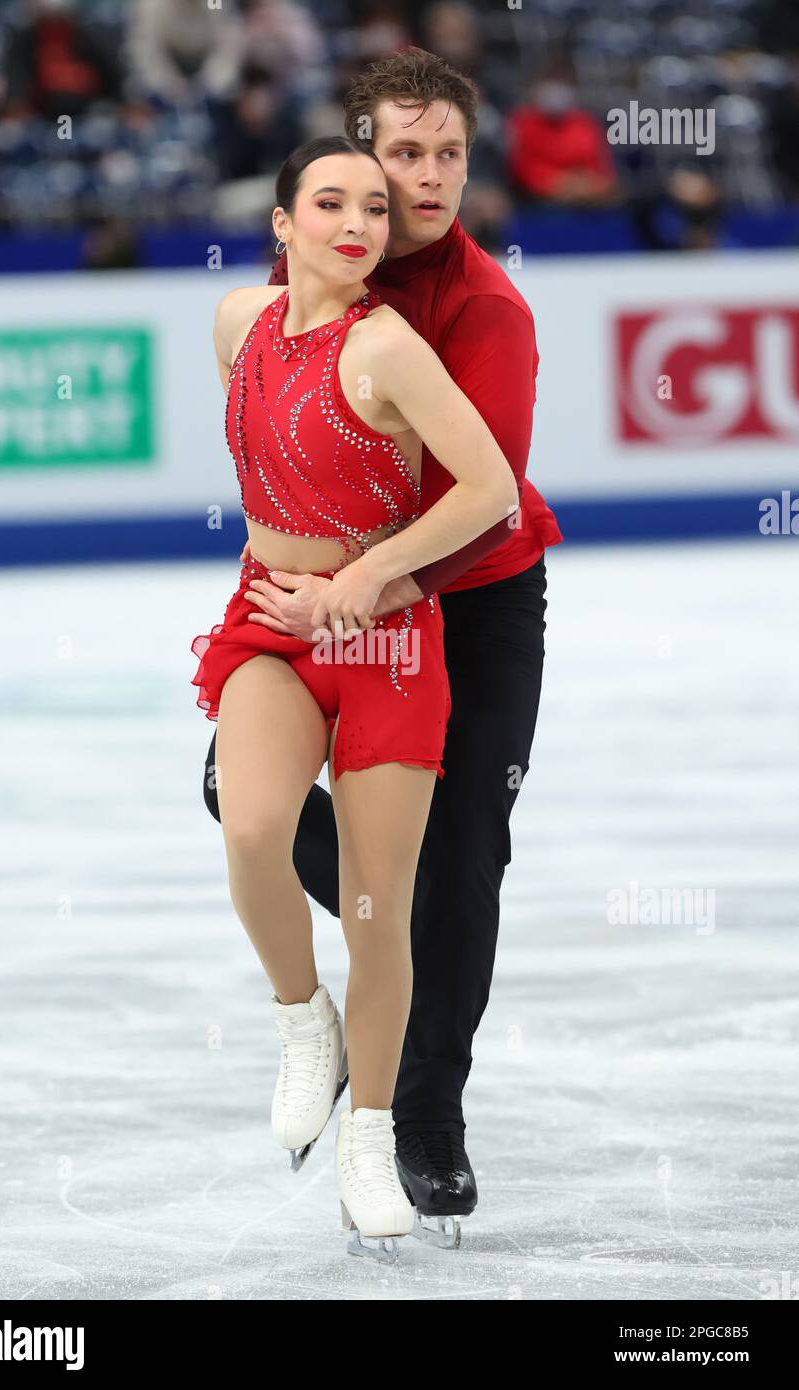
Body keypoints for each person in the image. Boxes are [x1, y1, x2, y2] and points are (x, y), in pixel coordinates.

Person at [202, 45, 564, 1247]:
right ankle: (349, 957)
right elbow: (280, 438)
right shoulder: (308, 263)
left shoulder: (479, 309)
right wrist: (291, 584)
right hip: (332, 600)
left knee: (458, 863)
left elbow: (485, 500)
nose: (420, 178)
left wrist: (355, 584)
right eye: (397, 153)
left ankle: (423, 1119)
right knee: (237, 792)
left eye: (445, 155)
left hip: (472, 595)